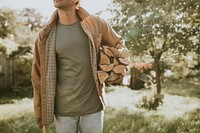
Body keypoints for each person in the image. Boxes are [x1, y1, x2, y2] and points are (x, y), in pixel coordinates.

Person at [31, 0, 129, 133]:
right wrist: (39, 112)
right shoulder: (45, 36)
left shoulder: (96, 24)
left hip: (93, 107)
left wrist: (118, 69)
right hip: (63, 111)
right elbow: (37, 76)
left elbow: (119, 44)